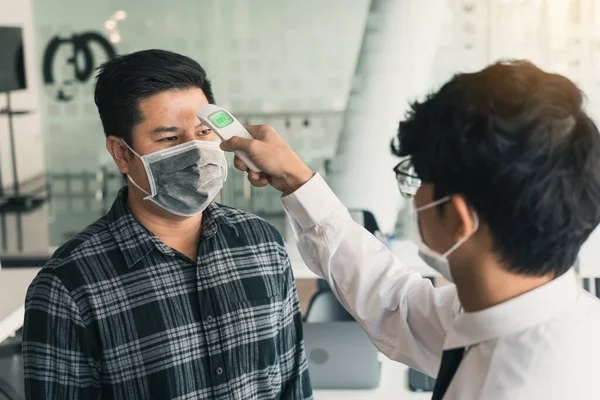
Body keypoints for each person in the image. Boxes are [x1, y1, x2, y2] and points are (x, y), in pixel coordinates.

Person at [221, 60, 600, 399]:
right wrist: (297, 181)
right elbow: (397, 304)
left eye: (418, 179)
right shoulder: (527, 313)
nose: (413, 197)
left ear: (456, 218)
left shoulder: (517, 383)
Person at [22, 50, 312, 400]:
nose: (196, 151)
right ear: (121, 153)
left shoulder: (260, 243)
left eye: (204, 131)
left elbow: (293, 383)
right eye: (170, 139)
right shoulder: (67, 286)